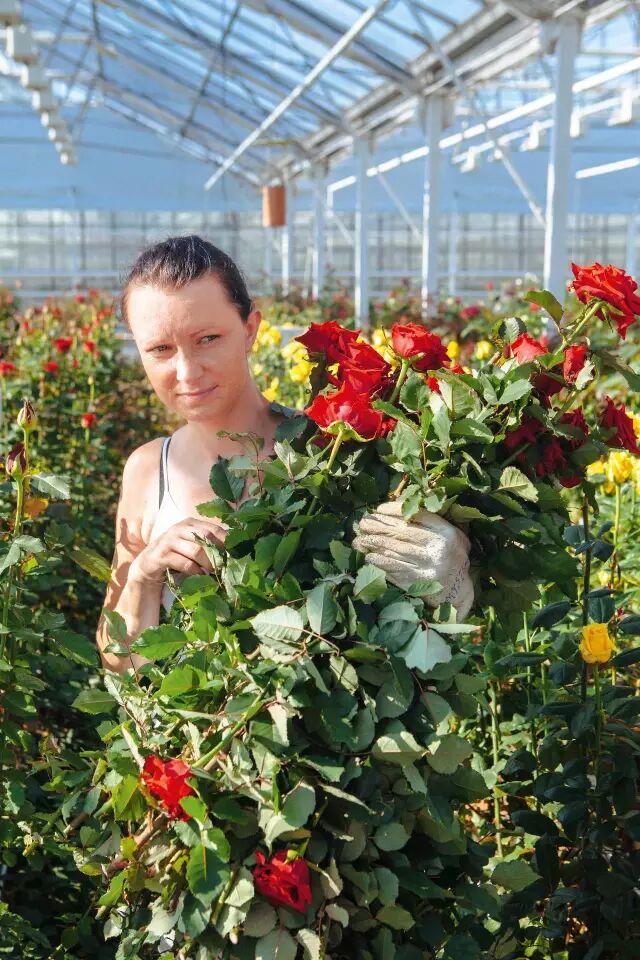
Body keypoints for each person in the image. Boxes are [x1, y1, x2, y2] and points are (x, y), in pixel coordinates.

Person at [97, 235, 472, 675]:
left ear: (251, 329)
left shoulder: (332, 449)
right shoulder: (148, 470)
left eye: (208, 338)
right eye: (160, 349)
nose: (187, 371)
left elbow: (412, 636)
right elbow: (119, 661)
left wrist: (452, 581)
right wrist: (144, 575)